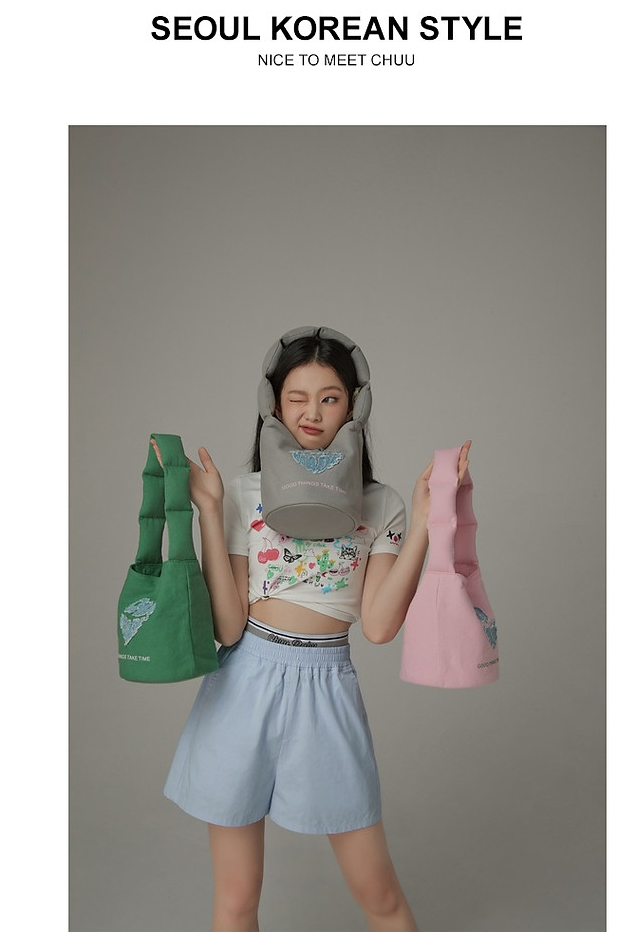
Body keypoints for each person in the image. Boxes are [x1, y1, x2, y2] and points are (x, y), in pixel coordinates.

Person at [159, 330, 471, 932]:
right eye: (296, 397)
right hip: (243, 685)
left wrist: (427, 520)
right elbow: (228, 625)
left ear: (355, 407)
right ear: (272, 404)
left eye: (330, 398)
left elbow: (379, 626)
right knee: (237, 900)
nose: (312, 412)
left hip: (326, 685)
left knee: (380, 896)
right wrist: (209, 511)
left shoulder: (380, 504)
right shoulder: (244, 494)